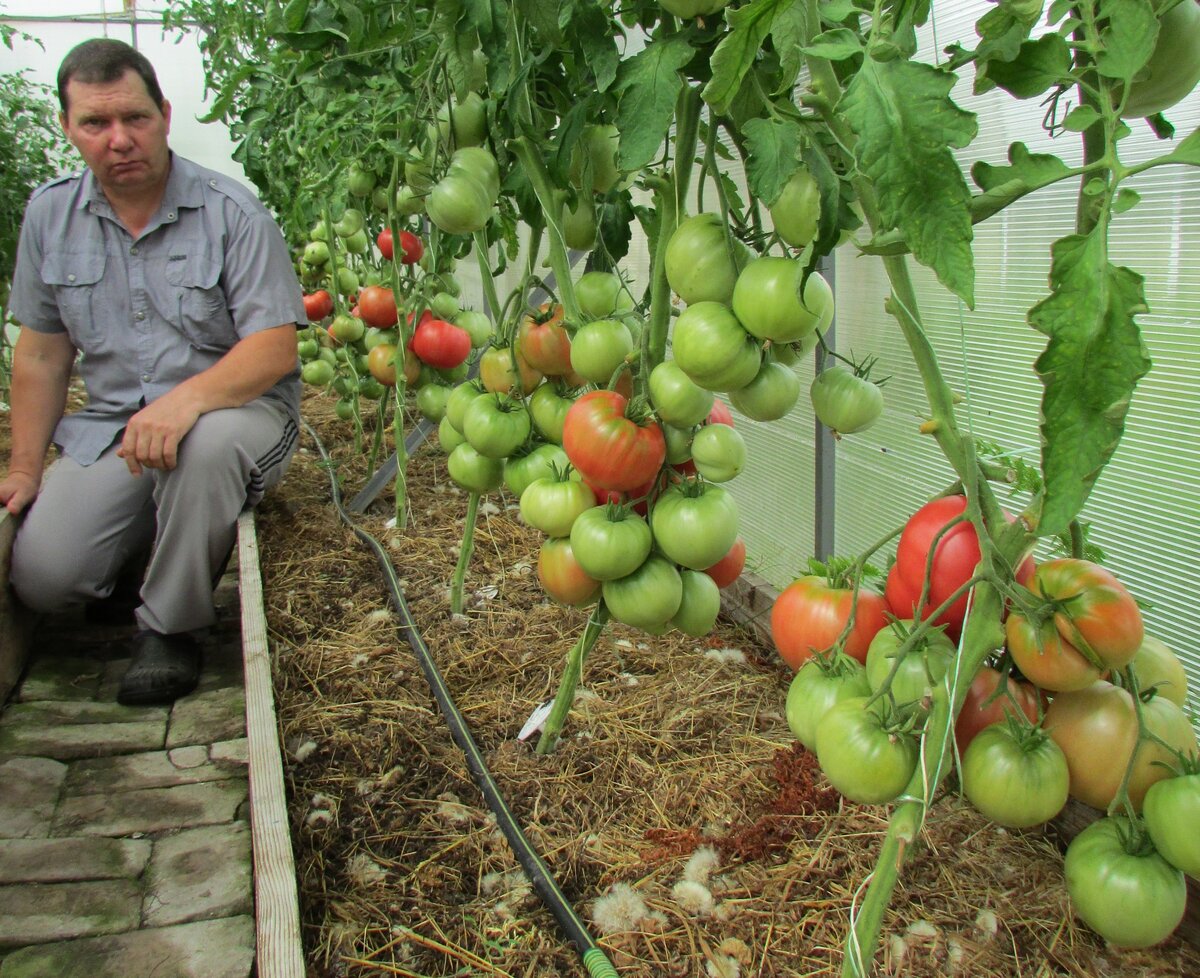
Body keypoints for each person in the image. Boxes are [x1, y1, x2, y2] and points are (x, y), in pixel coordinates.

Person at [0, 38, 307, 705]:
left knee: (203, 447)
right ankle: (143, 552)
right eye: (96, 123)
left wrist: (188, 401)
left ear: (164, 114)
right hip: (119, 426)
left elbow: (273, 349)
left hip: (240, 415)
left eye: (134, 118)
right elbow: (43, 352)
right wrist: (25, 466)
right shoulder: (50, 216)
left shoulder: (232, 214)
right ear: (68, 128)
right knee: (44, 579)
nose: (119, 139)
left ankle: (170, 626)